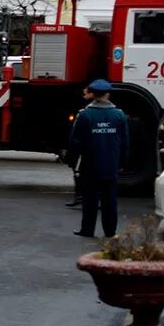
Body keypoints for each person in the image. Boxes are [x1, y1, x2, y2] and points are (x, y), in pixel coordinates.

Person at [66, 79, 129, 238]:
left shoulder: (85, 115)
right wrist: (122, 162)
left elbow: (75, 141)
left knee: (90, 198)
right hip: (111, 164)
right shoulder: (119, 115)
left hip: (90, 164)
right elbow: (125, 142)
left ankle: (87, 230)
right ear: (108, 94)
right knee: (110, 199)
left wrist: (72, 160)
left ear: (93, 94)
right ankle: (110, 231)